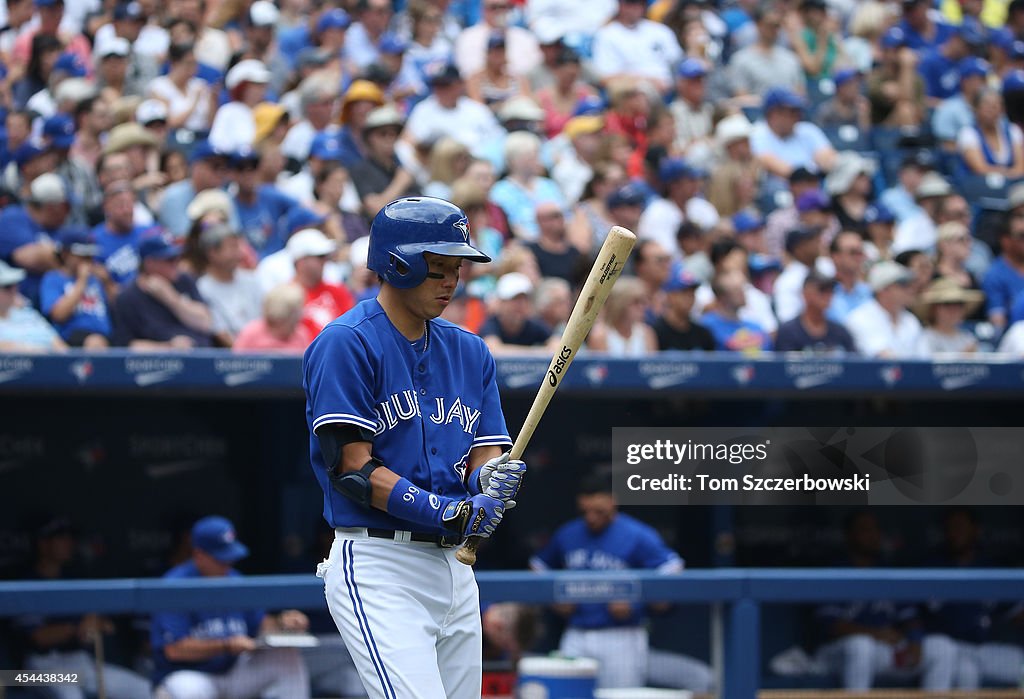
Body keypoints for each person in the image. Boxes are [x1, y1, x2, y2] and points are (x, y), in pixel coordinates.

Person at [303, 197, 524, 699]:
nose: (451, 282)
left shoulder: (470, 350)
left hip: (456, 568)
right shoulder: (347, 342)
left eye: (457, 270)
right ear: (398, 264)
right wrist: (449, 511)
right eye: (438, 269)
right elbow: (353, 471)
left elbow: (481, 455)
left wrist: (489, 480)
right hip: (381, 563)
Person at [530, 475, 715, 691]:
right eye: (585, 511)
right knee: (568, 693)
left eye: (598, 511)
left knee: (621, 695)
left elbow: (672, 568)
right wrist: (554, 600)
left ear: (613, 501)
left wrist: (637, 601)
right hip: (576, 631)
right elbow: (538, 566)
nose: (590, 518)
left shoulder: (636, 534)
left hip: (622, 634)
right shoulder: (569, 533)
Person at [151, 516, 311, 699]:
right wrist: (225, 646)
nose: (227, 565)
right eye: (220, 560)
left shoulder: (234, 579)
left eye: (229, 559)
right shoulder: (175, 584)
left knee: (287, 659)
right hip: (191, 675)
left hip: (234, 671)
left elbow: (260, 624)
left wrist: (283, 623)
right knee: (187, 691)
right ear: (199, 554)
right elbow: (174, 650)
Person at [814, 511, 956, 689]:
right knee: (860, 646)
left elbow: (910, 617)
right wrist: (876, 633)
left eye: (875, 529)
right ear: (849, 535)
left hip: (881, 651)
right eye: (865, 529)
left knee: (942, 647)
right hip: (837, 654)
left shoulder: (888, 572)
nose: (872, 535)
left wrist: (915, 640)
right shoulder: (836, 572)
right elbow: (831, 625)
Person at [14, 517, 151, 699]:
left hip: (79, 662)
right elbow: (40, 637)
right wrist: (78, 628)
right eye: (61, 537)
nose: (69, 543)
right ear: (42, 543)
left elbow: (106, 625)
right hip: (31, 669)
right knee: (72, 697)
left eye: (70, 537)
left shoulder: (74, 578)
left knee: (143, 689)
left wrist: (94, 621)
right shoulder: (24, 583)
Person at [111, 231, 216, 349]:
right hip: (160, 364)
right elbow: (127, 345)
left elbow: (206, 323)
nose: (176, 263)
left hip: (203, 358)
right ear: (149, 263)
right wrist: (167, 347)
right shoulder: (127, 297)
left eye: (177, 257)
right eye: (169, 260)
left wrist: (171, 298)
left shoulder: (184, 280)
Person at [40, 228, 116, 348]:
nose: (88, 261)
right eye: (82, 256)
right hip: (71, 336)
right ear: (65, 254)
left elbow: (118, 307)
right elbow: (58, 315)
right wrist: (81, 281)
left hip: (105, 336)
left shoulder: (97, 279)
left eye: (90, 256)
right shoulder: (53, 278)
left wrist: (108, 283)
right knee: (95, 342)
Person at [196, 224, 264, 347]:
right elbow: (220, 332)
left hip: (264, 347)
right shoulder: (202, 288)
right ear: (213, 253)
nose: (239, 254)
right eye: (233, 248)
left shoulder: (252, 280)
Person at [845, 261, 923, 358]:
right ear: (883, 290)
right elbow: (883, 357)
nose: (910, 289)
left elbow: (923, 358)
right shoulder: (860, 318)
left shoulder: (911, 321)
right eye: (903, 284)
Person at [775, 271, 857, 354]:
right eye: (822, 290)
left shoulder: (840, 332)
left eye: (831, 291)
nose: (828, 295)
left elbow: (854, 362)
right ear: (805, 294)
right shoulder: (788, 332)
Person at [0, 260, 67, 352]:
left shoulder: (29, 314)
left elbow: (62, 349)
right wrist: (29, 350)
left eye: (15, 285)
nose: (14, 290)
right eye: (7, 286)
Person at [481, 271, 553, 354]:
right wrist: (538, 351)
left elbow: (556, 346)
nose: (521, 305)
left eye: (525, 299)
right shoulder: (491, 324)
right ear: (501, 302)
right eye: (514, 299)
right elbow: (493, 348)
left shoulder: (534, 324)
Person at [588, 276, 658, 356]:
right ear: (620, 304)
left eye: (643, 302)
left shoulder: (647, 333)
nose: (642, 307)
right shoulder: (600, 335)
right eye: (636, 302)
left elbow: (650, 366)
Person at [234, 282, 313, 353]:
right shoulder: (251, 333)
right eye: (293, 313)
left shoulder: (301, 334)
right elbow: (237, 364)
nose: (299, 317)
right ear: (279, 315)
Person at [653, 264, 715, 351]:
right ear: (670, 295)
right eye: (684, 293)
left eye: (692, 293)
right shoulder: (655, 332)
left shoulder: (703, 334)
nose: (689, 298)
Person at [916, 278, 983, 356]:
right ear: (934, 309)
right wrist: (961, 358)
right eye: (947, 304)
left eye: (959, 304)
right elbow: (925, 365)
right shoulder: (925, 338)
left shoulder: (968, 338)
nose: (953, 310)